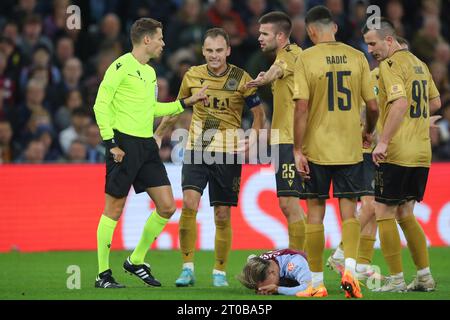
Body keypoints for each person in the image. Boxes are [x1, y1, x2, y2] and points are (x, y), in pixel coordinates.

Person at [92, 17, 208, 289]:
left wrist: (185, 103)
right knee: (114, 209)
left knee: (167, 206)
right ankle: (102, 274)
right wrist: (110, 143)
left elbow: (152, 109)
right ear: (147, 39)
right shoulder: (120, 67)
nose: (163, 43)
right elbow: (100, 105)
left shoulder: (150, 72)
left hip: (145, 146)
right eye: (160, 37)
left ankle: (136, 260)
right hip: (122, 143)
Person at [155, 28, 265, 287]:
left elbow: (258, 112)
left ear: (228, 50)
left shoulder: (241, 78)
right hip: (196, 149)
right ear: (202, 51)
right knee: (189, 205)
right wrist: (159, 133)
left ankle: (219, 272)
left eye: (219, 50)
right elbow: (177, 107)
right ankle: (187, 268)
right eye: (209, 51)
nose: (214, 56)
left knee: (222, 215)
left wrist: (255, 135)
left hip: (228, 153)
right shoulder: (192, 75)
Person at [293, 6, 379, 298]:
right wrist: (369, 130)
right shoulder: (358, 57)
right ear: (335, 29)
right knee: (350, 214)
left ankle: (316, 284)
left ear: (310, 31)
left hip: (316, 149)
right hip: (351, 148)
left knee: (315, 214)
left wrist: (296, 148)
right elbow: (374, 105)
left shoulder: (306, 58)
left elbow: (301, 107)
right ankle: (351, 273)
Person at [362, 18, 441, 292]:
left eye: (373, 43)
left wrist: (383, 141)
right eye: (367, 44)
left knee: (383, 211)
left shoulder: (390, 65)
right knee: (406, 212)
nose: (370, 49)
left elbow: (400, 102)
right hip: (421, 152)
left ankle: (395, 279)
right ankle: (424, 276)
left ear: (389, 40)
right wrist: (417, 123)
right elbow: (435, 101)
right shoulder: (420, 63)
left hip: (397, 151)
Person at [244, 11, 306, 252]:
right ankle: (306, 262)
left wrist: (263, 80)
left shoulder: (288, 54)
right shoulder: (292, 55)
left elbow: (277, 71)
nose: (259, 37)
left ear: (280, 36)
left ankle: (297, 264)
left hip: (290, 140)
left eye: (264, 33)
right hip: (286, 138)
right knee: (294, 205)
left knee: (289, 204)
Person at [237, 249, 324, 297]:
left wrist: (278, 289)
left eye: (265, 287)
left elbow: (312, 288)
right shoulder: (260, 264)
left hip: (304, 267)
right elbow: (251, 258)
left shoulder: (295, 264)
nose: (266, 289)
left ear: (272, 272)